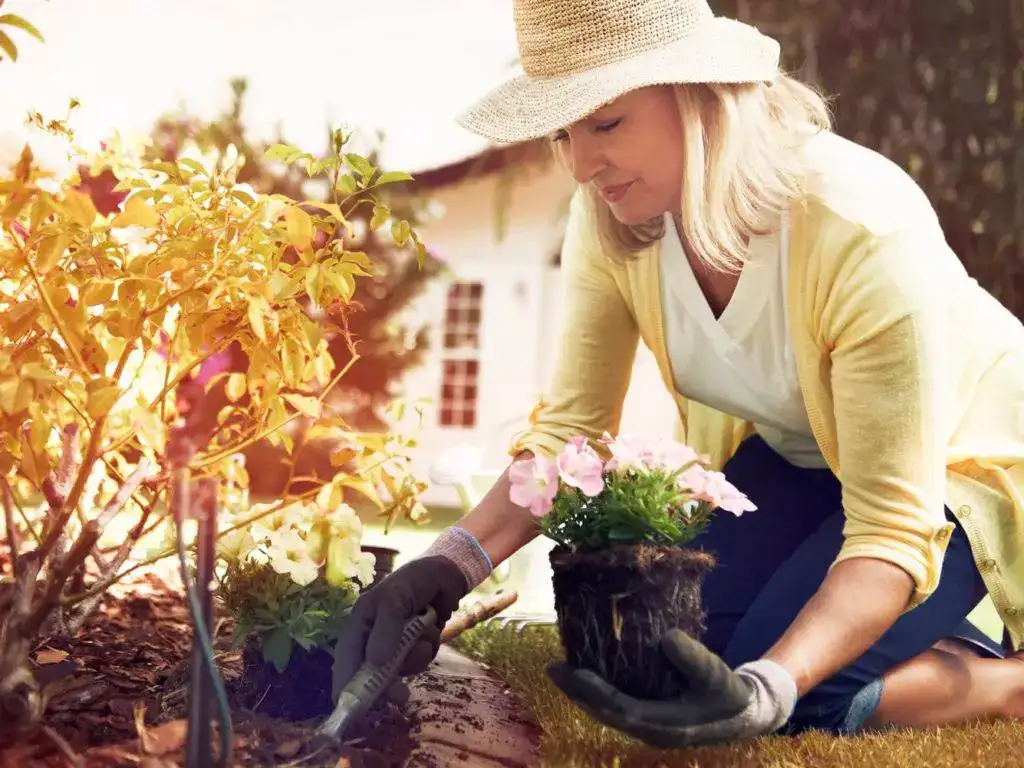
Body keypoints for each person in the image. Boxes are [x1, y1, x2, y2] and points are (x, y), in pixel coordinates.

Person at [333, 0, 1024, 747]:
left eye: (605, 124)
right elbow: (572, 435)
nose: (579, 163)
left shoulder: (860, 226)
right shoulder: (612, 220)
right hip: (805, 455)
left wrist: (772, 688)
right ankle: (919, 651)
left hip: (958, 462)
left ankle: (1009, 683)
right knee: (679, 660)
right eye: (563, 133)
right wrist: (447, 565)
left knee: (794, 693)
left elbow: (891, 529)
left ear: (699, 96)